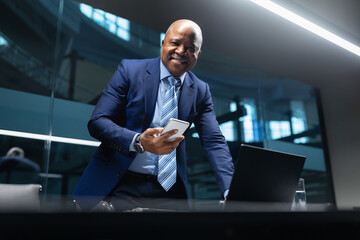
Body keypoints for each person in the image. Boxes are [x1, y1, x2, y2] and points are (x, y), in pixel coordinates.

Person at [73, 19, 234, 211]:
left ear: (198, 54)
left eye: (190, 48)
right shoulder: (130, 71)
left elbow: (214, 141)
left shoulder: (200, 90)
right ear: (163, 43)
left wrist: (230, 190)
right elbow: (98, 122)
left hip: (170, 191)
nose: (181, 51)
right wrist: (138, 141)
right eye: (175, 43)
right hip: (121, 183)